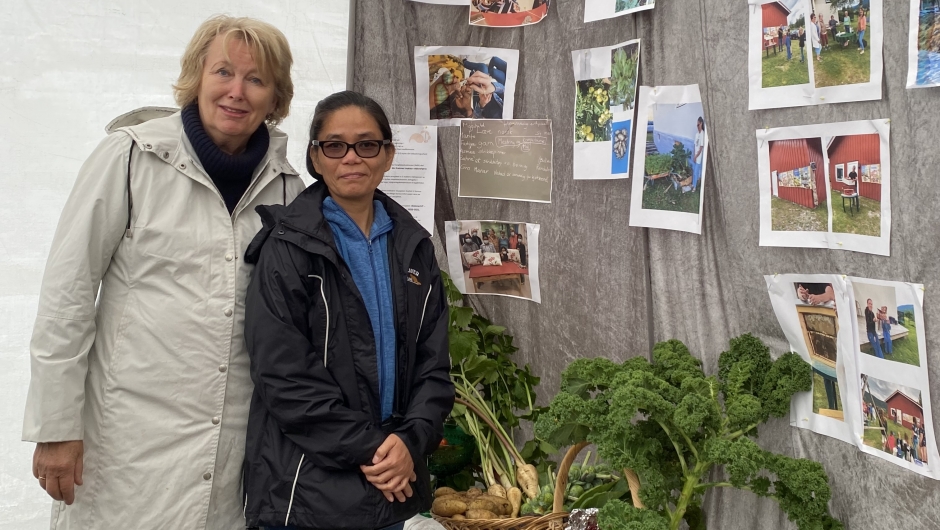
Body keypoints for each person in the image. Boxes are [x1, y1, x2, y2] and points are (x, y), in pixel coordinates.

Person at [22, 16, 302, 529]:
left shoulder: (286, 188)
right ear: (197, 77)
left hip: (228, 452)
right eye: (223, 72)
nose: (236, 92)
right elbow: (68, 294)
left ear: (276, 97)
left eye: (256, 79)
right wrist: (56, 427)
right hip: (124, 443)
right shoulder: (131, 157)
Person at [242, 90, 455, 530]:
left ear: (388, 155)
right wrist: (373, 449)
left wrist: (410, 440)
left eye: (367, 144)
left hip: (394, 484)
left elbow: (434, 367)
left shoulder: (414, 247)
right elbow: (282, 376)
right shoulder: (288, 247)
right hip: (308, 491)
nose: (352, 158)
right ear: (315, 158)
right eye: (335, 146)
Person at [692, 117, 706, 192]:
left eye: (698, 125)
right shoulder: (697, 134)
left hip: (698, 157)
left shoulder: (702, 134)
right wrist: (694, 155)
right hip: (695, 156)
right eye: (696, 125)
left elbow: (701, 148)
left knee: (696, 172)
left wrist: (696, 156)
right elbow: (695, 145)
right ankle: (693, 184)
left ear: (701, 124)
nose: (697, 126)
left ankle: (694, 186)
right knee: (694, 171)